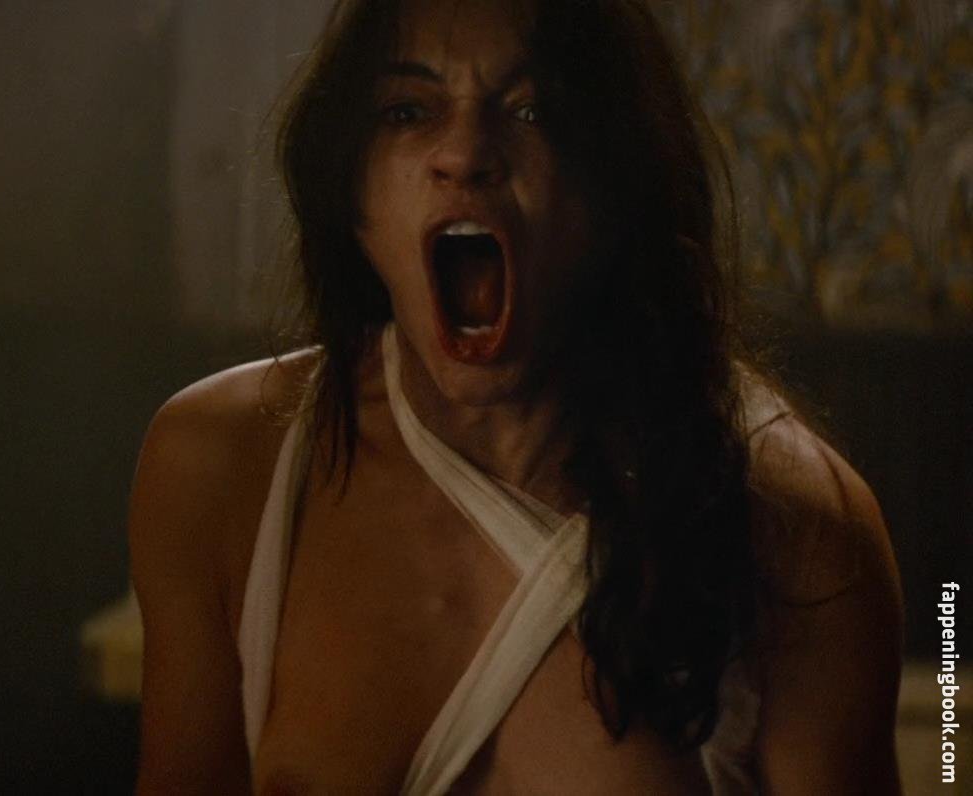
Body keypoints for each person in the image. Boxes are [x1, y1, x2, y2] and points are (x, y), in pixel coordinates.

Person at [125, 0, 905, 793]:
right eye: (408, 110)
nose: (465, 154)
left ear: (616, 185)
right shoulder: (221, 470)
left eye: (535, 110)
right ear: (349, 189)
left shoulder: (797, 531)